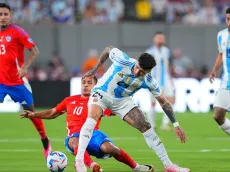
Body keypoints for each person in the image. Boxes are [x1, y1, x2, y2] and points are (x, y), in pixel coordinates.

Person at [75, 46, 190, 172]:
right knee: (92, 119)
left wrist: (176, 124)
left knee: (147, 128)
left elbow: (164, 102)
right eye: (137, 68)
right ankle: (79, 161)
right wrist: (95, 69)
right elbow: (108, 49)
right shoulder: (122, 60)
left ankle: (168, 166)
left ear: (149, 71)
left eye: (141, 72)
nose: (136, 73)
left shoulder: (149, 81)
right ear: (136, 62)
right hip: (102, 92)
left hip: (122, 101)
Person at [20, 76, 154, 172]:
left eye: (89, 82)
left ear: (95, 86)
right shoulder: (69, 100)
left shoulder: (100, 102)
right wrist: (34, 114)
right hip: (75, 136)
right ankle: (92, 166)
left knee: (110, 148)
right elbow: (52, 113)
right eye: (83, 82)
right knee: (74, 141)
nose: (85, 84)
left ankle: (137, 167)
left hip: (93, 135)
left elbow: (119, 110)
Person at [0, 3, 51, 158]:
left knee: (31, 114)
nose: (2, 17)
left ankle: (45, 141)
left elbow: (35, 50)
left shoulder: (17, 32)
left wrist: (25, 66)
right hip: (1, 82)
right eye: (0, 14)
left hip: (18, 83)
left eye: (5, 14)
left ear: (10, 16)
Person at [144, 31, 175, 130]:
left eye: (162, 38)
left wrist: (171, 78)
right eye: (159, 38)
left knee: (170, 100)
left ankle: (165, 124)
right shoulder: (149, 52)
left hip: (166, 80)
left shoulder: (167, 51)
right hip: (154, 81)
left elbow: (169, 65)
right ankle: (151, 124)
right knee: (153, 103)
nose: (160, 40)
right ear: (154, 39)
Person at [209, 7, 230, 136]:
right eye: (228, 19)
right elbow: (221, 54)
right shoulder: (221, 35)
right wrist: (213, 70)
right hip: (226, 81)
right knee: (218, 115)